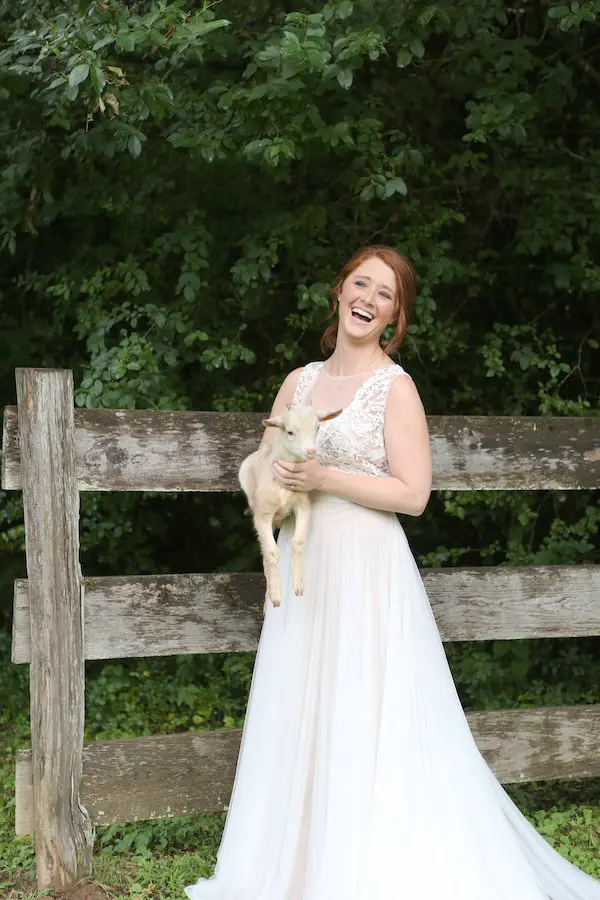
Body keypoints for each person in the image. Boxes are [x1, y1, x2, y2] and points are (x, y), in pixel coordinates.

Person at [185, 246, 600, 900]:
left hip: (369, 571)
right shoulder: (298, 383)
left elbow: (413, 494)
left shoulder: (394, 387)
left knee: (367, 713)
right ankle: (295, 870)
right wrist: (270, 479)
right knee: (301, 713)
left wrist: (324, 476)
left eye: (385, 294)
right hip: (304, 570)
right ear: (339, 292)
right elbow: (267, 469)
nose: (368, 299)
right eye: (361, 284)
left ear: (394, 317)